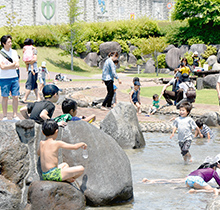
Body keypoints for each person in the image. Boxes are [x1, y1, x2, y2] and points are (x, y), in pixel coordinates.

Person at [142, 160, 220, 195]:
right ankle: (195, 192)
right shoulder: (213, 171)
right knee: (213, 190)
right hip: (197, 181)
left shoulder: (199, 171)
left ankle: (150, 181)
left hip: (188, 180)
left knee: (170, 181)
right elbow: (219, 182)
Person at [0, 35, 20, 121]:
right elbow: (2, 67)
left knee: (15, 96)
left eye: (11, 41)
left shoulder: (14, 52)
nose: (11, 43)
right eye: (9, 42)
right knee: (5, 97)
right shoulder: (1, 53)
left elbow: (17, 65)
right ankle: (5, 116)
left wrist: (8, 66)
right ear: (4, 43)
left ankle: (15, 115)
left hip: (14, 77)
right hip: (4, 78)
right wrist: (12, 65)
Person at [21, 38, 40, 103]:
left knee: (29, 84)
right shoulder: (29, 49)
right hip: (32, 69)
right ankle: (38, 98)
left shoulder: (33, 50)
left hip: (33, 70)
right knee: (34, 85)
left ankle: (24, 98)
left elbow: (34, 59)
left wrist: (27, 62)